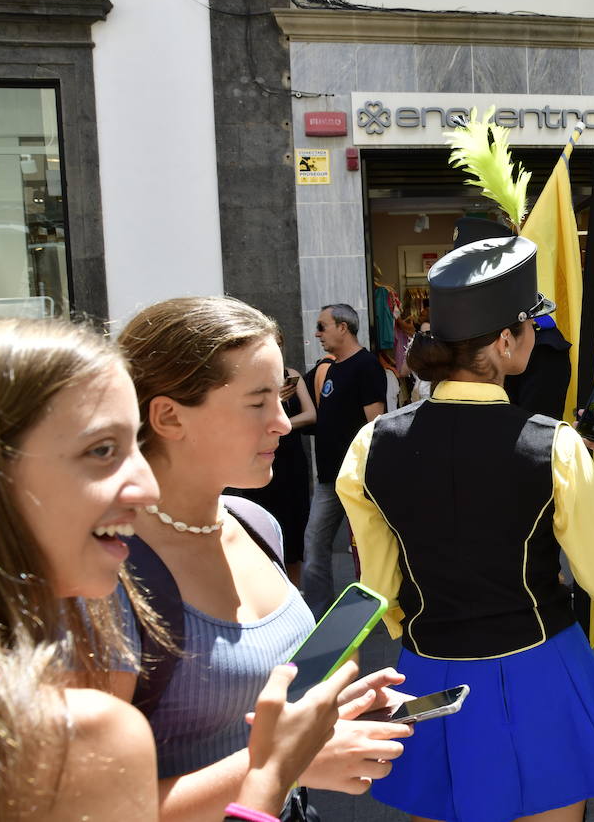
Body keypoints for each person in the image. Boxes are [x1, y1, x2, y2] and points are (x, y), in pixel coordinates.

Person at [338, 234, 594, 822]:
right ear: (506, 341)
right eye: (533, 325)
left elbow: (378, 589)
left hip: (427, 670)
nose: (538, 335)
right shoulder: (552, 444)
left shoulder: (369, 445)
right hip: (538, 669)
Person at [0, 317, 350, 822]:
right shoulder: (85, 710)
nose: (142, 481)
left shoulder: (254, 523)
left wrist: (309, 726)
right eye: (102, 451)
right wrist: (274, 768)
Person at [114, 297, 412, 822]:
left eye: (280, 398)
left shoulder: (254, 522)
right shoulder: (107, 572)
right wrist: (289, 761)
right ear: (168, 416)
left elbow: (260, 703)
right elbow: (90, 807)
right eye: (258, 403)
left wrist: (324, 711)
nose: (282, 421)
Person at [304, 302, 387, 616]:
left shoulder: (366, 366)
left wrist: (368, 475)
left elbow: (374, 425)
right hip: (329, 477)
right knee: (315, 543)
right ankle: (317, 613)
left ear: (343, 327)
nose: (317, 333)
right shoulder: (333, 367)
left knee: (366, 547)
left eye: (322, 326)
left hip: (356, 477)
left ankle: (372, 608)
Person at [229, 335, 316, 584]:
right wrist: (274, 402)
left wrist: (284, 423)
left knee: (293, 526)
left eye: (280, 343)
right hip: (260, 459)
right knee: (260, 522)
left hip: (290, 460)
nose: (276, 348)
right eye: (270, 343)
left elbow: (311, 414)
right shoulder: (249, 379)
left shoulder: (291, 374)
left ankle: (295, 590)